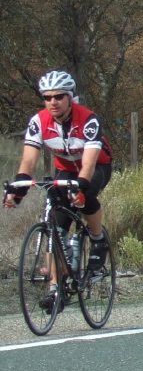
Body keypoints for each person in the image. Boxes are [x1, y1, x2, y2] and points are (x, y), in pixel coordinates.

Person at [4, 70, 113, 310]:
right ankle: (55, 288)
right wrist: (19, 188)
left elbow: (89, 163)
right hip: (64, 169)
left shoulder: (88, 119)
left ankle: (97, 240)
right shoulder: (38, 121)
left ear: (70, 97)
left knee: (84, 197)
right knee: (56, 224)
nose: (53, 102)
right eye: (47, 97)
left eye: (59, 96)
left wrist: (81, 187)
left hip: (95, 167)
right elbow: (29, 161)